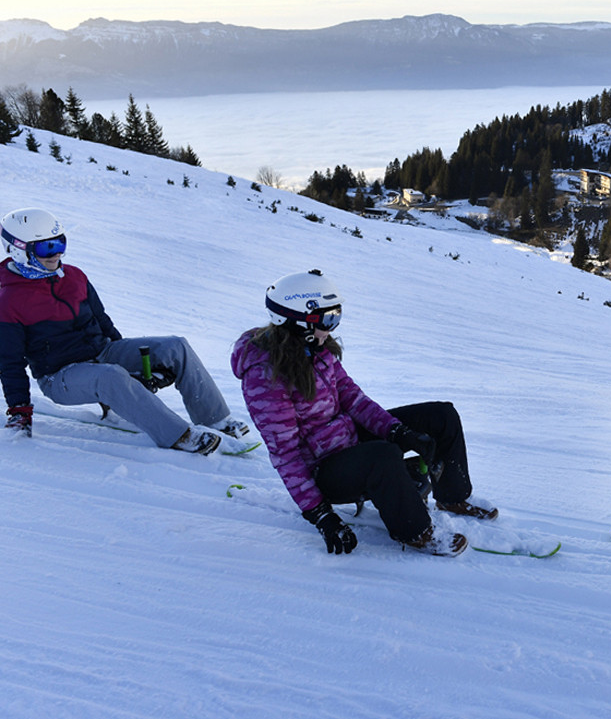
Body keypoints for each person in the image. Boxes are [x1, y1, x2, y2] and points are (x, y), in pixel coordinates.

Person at [231, 269, 492, 557]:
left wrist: (398, 431)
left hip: (347, 438)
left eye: (336, 316)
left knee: (441, 416)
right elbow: (286, 455)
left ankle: (453, 496)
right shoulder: (265, 378)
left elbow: (355, 400)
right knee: (383, 456)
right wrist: (321, 515)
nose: (332, 327)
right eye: (327, 319)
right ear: (297, 321)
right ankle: (416, 532)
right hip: (323, 470)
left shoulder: (317, 350)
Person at [0, 207, 249, 454]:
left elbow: (102, 321)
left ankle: (216, 421)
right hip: (59, 375)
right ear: (18, 249)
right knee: (110, 376)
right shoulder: (8, 300)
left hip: (102, 352)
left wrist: (130, 365)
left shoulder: (74, 276)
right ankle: (179, 436)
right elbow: (10, 362)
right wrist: (20, 410)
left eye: (60, 244)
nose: (56, 254)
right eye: (46, 248)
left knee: (176, 346)